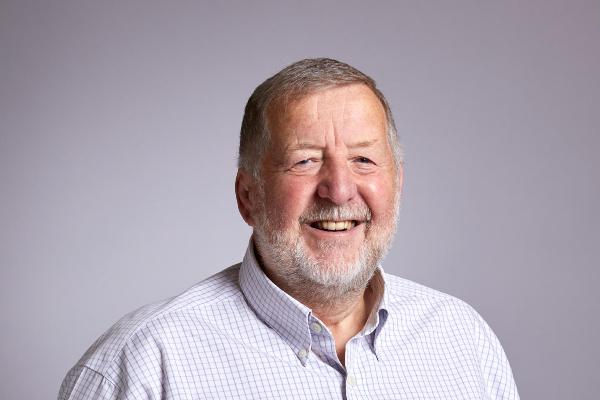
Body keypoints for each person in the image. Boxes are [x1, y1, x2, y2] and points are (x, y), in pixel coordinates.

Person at [59, 58, 519, 399]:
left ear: (397, 183)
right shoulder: (144, 364)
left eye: (363, 159)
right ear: (248, 196)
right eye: (305, 161)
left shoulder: (463, 338)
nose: (339, 190)